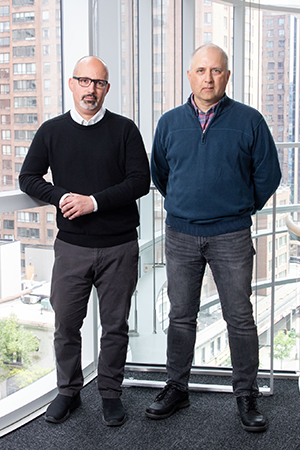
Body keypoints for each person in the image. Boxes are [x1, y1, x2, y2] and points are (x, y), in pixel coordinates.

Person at [146, 44, 281, 432]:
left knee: (239, 317)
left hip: (232, 235)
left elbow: (267, 175)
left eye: (216, 71)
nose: (208, 78)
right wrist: (186, 204)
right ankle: (177, 387)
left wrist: (237, 207)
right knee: (180, 315)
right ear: (189, 75)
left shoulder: (249, 120)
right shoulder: (170, 122)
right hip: (181, 234)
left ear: (227, 76)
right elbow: (161, 173)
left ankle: (246, 394)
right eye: (201, 70)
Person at [19, 56, 150, 427]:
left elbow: (140, 181)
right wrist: (61, 197)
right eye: (85, 81)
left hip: (119, 246)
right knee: (65, 325)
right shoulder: (51, 131)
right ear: (72, 84)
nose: (91, 90)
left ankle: (110, 393)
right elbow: (28, 177)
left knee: (115, 326)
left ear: (106, 89)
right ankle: (69, 392)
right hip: (72, 247)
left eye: (99, 83)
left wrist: (93, 202)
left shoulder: (125, 130)